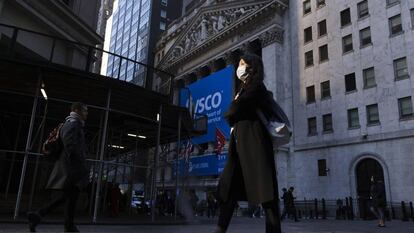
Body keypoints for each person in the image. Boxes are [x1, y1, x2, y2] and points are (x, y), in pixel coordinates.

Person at [214, 53, 290, 233]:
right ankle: (220, 228)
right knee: (229, 187)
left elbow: (234, 109)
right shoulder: (243, 88)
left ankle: (273, 230)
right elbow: (236, 110)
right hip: (238, 146)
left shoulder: (257, 87)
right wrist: (233, 112)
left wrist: (232, 112)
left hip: (255, 145)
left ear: (251, 67)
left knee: (266, 192)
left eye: (242, 64)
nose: (239, 68)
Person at [27, 102, 89, 232]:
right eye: (85, 110)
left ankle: (41, 216)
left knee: (69, 197)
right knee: (70, 196)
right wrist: (80, 165)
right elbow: (70, 146)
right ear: (77, 110)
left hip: (70, 168)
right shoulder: (72, 124)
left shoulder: (72, 124)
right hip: (72, 169)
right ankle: (65, 224)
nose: (86, 113)